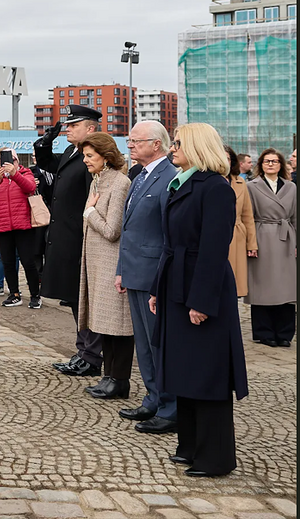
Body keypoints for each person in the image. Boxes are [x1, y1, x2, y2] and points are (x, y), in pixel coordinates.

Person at [149, 122, 248, 478]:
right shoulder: (184, 184)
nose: (171, 148)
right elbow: (170, 243)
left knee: (207, 373)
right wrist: (158, 290)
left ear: (197, 147)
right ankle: (189, 446)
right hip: (176, 285)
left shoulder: (216, 189)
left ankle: (215, 457)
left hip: (202, 289)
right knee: (183, 368)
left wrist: (202, 302)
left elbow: (213, 250)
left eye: (177, 143)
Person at [115, 121, 178, 434]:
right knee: (143, 343)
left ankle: (169, 406)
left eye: (136, 141)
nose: (130, 146)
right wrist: (121, 270)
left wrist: (159, 278)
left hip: (154, 274)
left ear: (156, 144)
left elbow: (170, 232)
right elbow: (129, 227)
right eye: (129, 140)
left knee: (159, 344)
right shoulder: (139, 175)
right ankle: (153, 397)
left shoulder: (170, 178)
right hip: (134, 270)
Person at [35, 105, 101, 377]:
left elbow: (93, 199)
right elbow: (48, 165)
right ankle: (82, 350)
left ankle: (92, 355)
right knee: (73, 297)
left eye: (74, 125)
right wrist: (44, 142)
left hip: (79, 237)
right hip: (63, 236)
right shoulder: (72, 152)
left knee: (84, 298)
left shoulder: (95, 157)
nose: (68, 129)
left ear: (91, 128)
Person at [74, 134, 133, 399]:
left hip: (111, 261)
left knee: (117, 324)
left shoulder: (120, 183)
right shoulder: (98, 180)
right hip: (97, 261)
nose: (85, 160)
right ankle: (108, 376)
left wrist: (89, 212)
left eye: (89, 156)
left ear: (106, 156)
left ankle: (119, 379)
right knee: (104, 323)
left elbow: (112, 230)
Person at [245, 148, 297, 347]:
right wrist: (251, 243)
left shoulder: (291, 187)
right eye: (267, 161)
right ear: (261, 165)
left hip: (286, 238)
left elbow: (295, 217)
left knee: (286, 288)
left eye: (275, 161)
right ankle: (264, 332)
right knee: (262, 286)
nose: (271, 164)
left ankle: (284, 333)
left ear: (281, 164)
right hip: (262, 237)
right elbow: (248, 217)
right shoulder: (252, 186)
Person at [0, 149, 41, 308]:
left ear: (16, 160)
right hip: (3, 225)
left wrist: (15, 174)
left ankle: (35, 295)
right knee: (7, 262)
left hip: (23, 225)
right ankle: (14, 294)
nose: (5, 163)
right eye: (1, 160)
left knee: (28, 261)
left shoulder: (24, 172)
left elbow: (30, 187)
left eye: (10, 159)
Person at [223, 146, 257, 299]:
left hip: (237, 236)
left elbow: (247, 216)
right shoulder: (206, 181)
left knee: (234, 287)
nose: (225, 161)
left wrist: (252, 244)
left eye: (228, 158)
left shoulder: (240, 183)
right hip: (214, 236)